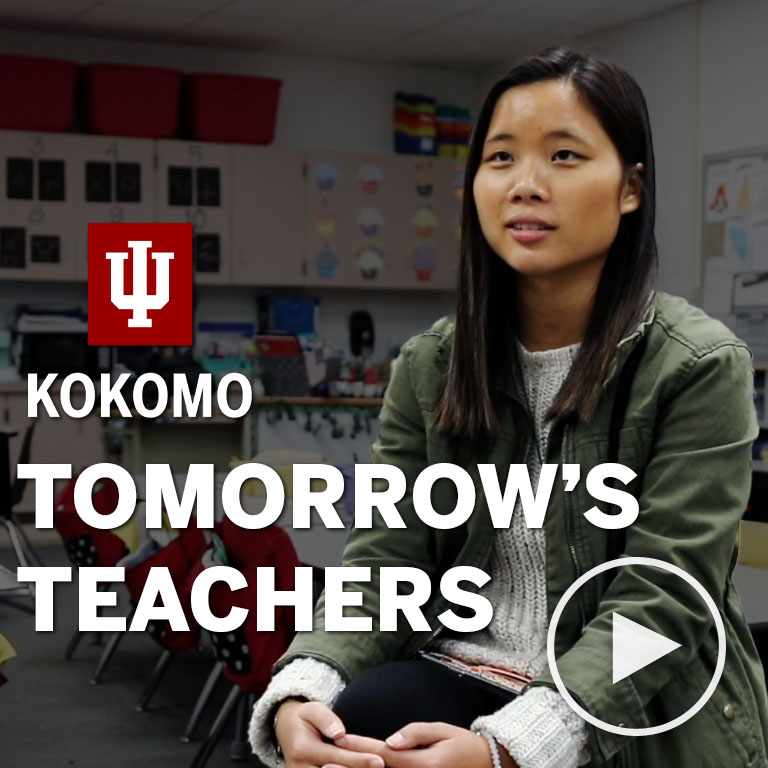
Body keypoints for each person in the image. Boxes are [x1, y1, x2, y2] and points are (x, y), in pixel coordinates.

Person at [248, 46, 768, 768]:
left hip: (631, 702)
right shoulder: (432, 365)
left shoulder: (698, 365)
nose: (525, 185)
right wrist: (307, 683)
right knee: (349, 725)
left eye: (563, 156)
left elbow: (666, 604)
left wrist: (514, 749)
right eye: (500, 159)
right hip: (462, 671)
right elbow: (385, 561)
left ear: (630, 188)